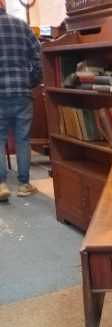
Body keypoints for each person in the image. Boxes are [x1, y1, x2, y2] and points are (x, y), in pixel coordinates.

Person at [0, 0, 42, 202]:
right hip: (21, 90)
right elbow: (38, 56)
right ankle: (24, 184)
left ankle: (0, 185)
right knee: (22, 139)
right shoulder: (21, 25)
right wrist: (32, 81)